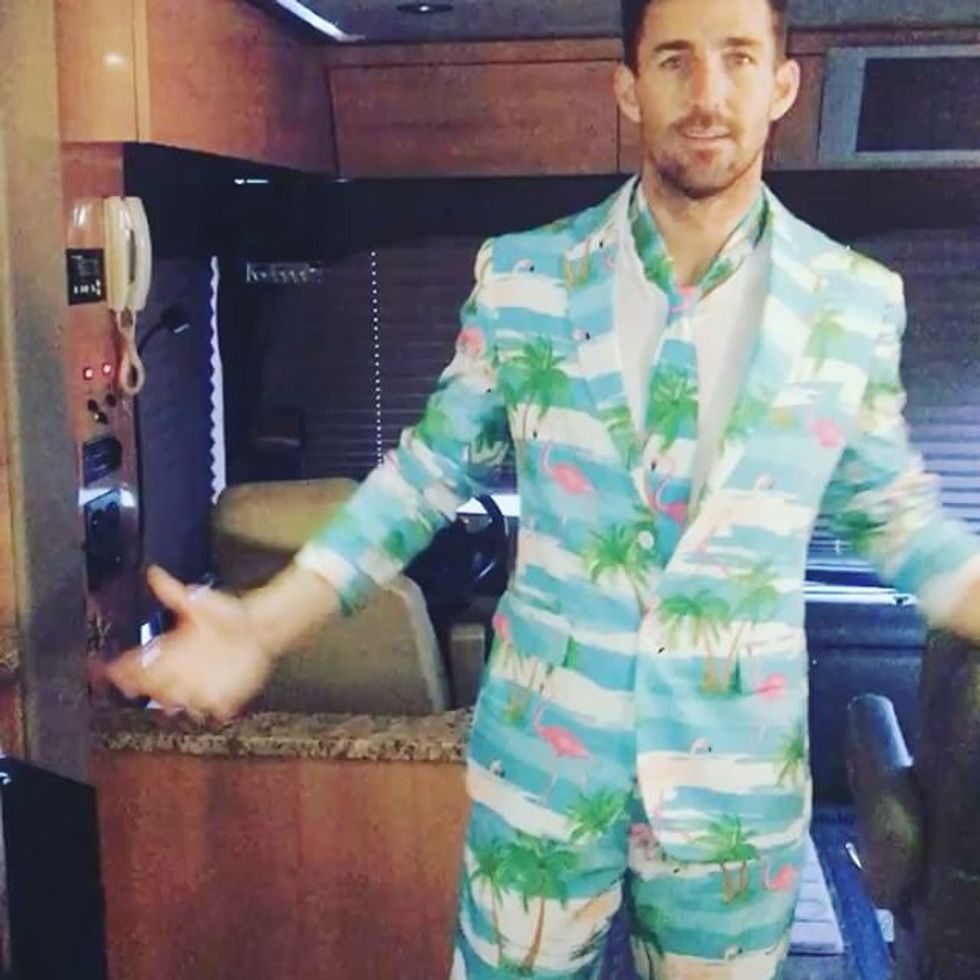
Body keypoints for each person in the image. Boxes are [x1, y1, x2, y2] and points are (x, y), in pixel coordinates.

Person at [108, 0, 980, 976]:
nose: (707, 93)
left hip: (734, 791)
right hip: (540, 771)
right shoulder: (525, 278)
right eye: (674, 60)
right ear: (627, 87)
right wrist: (263, 624)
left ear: (782, 85)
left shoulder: (853, 302)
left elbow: (897, 519)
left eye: (737, 57)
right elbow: (423, 478)